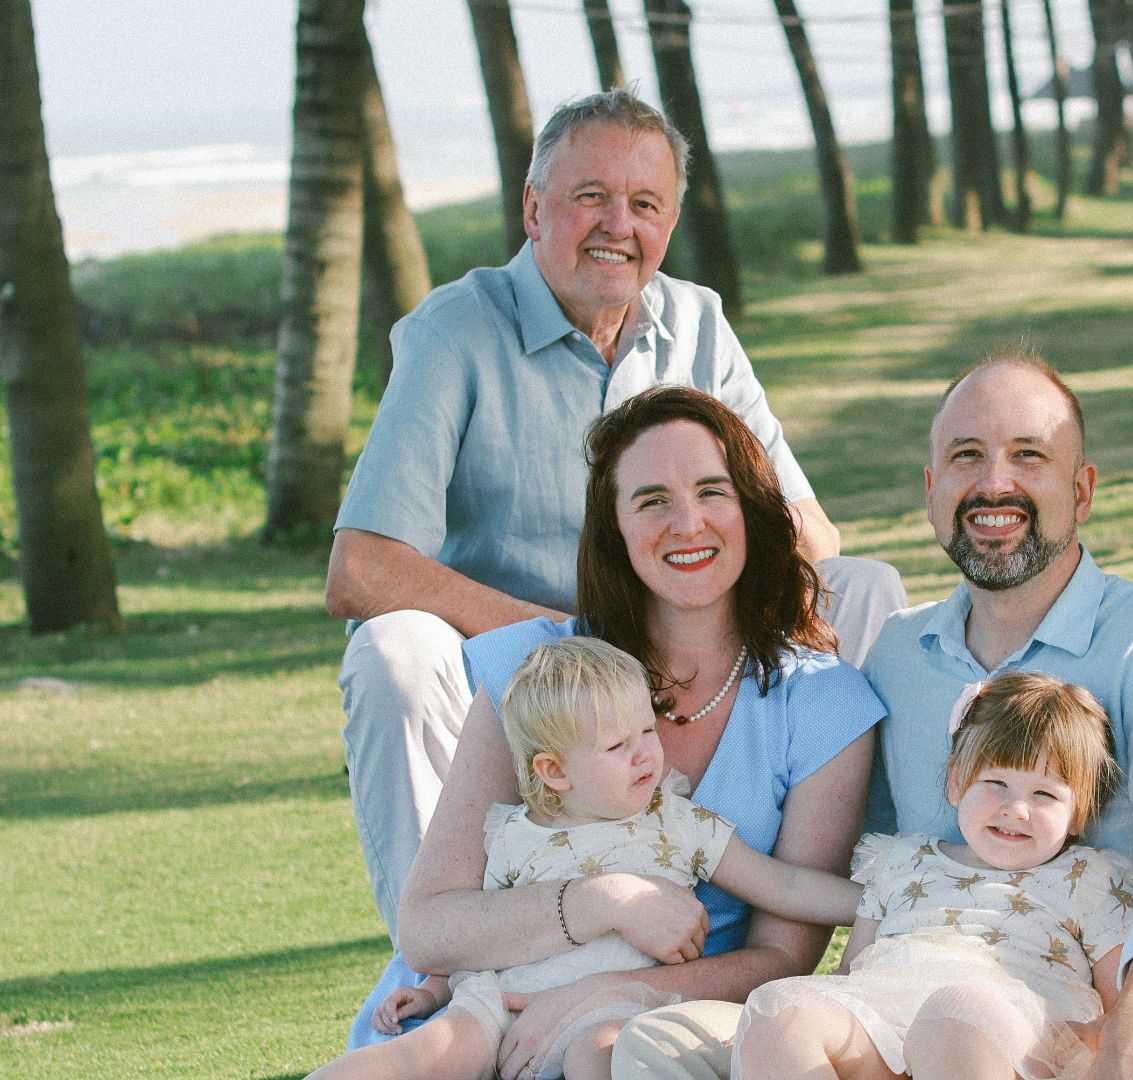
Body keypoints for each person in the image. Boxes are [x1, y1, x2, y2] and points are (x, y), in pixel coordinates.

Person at [324, 86, 904, 958]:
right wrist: (582, 645)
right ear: (532, 207)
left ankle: (893, 910)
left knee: (865, 585)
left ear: (670, 220)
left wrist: (721, 599)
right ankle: (439, 955)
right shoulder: (453, 331)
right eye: (590, 196)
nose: (617, 226)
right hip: (526, 663)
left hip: (687, 629)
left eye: (645, 204)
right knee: (392, 653)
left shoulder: (696, 320)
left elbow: (806, 530)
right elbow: (361, 570)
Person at [703, 350, 1133, 1080]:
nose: (993, 482)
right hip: (909, 1027)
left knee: (964, 1023)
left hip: (1129, 1031)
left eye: (1028, 456)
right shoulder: (902, 651)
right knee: (658, 1044)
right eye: (967, 456)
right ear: (933, 491)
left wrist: (1131, 1042)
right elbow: (868, 862)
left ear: (1082, 489)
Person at [392, 385, 887, 1080]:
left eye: (713, 492)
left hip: (652, 1027)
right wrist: (602, 902)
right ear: (614, 529)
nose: (687, 523)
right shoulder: (538, 671)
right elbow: (428, 926)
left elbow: (784, 956)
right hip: (475, 1006)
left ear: (752, 511)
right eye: (652, 499)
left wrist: (610, 993)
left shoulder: (824, 703)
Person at [309, 637, 863, 1080]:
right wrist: (431, 990)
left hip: (607, 1007)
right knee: (433, 1051)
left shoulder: (675, 824)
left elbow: (785, 887)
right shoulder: (514, 834)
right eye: (618, 746)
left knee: (601, 1054)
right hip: (496, 1002)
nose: (646, 750)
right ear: (555, 771)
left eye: (648, 728)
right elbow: (480, 938)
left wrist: (878, 897)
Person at [732, 671, 1133, 1080]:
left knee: (956, 1014)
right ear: (957, 782)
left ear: (1079, 810)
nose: (1015, 809)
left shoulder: (1087, 878)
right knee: (782, 1010)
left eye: (1043, 794)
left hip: (1001, 1044)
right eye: (996, 782)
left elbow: (1123, 1011)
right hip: (884, 1034)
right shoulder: (903, 859)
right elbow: (849, 973)